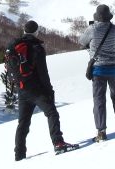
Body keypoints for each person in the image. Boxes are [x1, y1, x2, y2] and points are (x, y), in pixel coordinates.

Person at [8, 20, 77, 160]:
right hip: (37, 90)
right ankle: (58, 142)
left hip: (22, 90)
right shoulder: (36, 47)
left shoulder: (15, 46)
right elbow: (43, 72)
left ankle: (19, 154)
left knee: (23, 123)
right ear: (36, 31)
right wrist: (49, 90)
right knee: (52, 113)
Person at [78, 4, 115, 142]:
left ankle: (101, 131)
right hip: (114, 67)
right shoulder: (114, 29)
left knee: (99, 100)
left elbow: (81, 41)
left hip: (99, 69)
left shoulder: (92, 28)